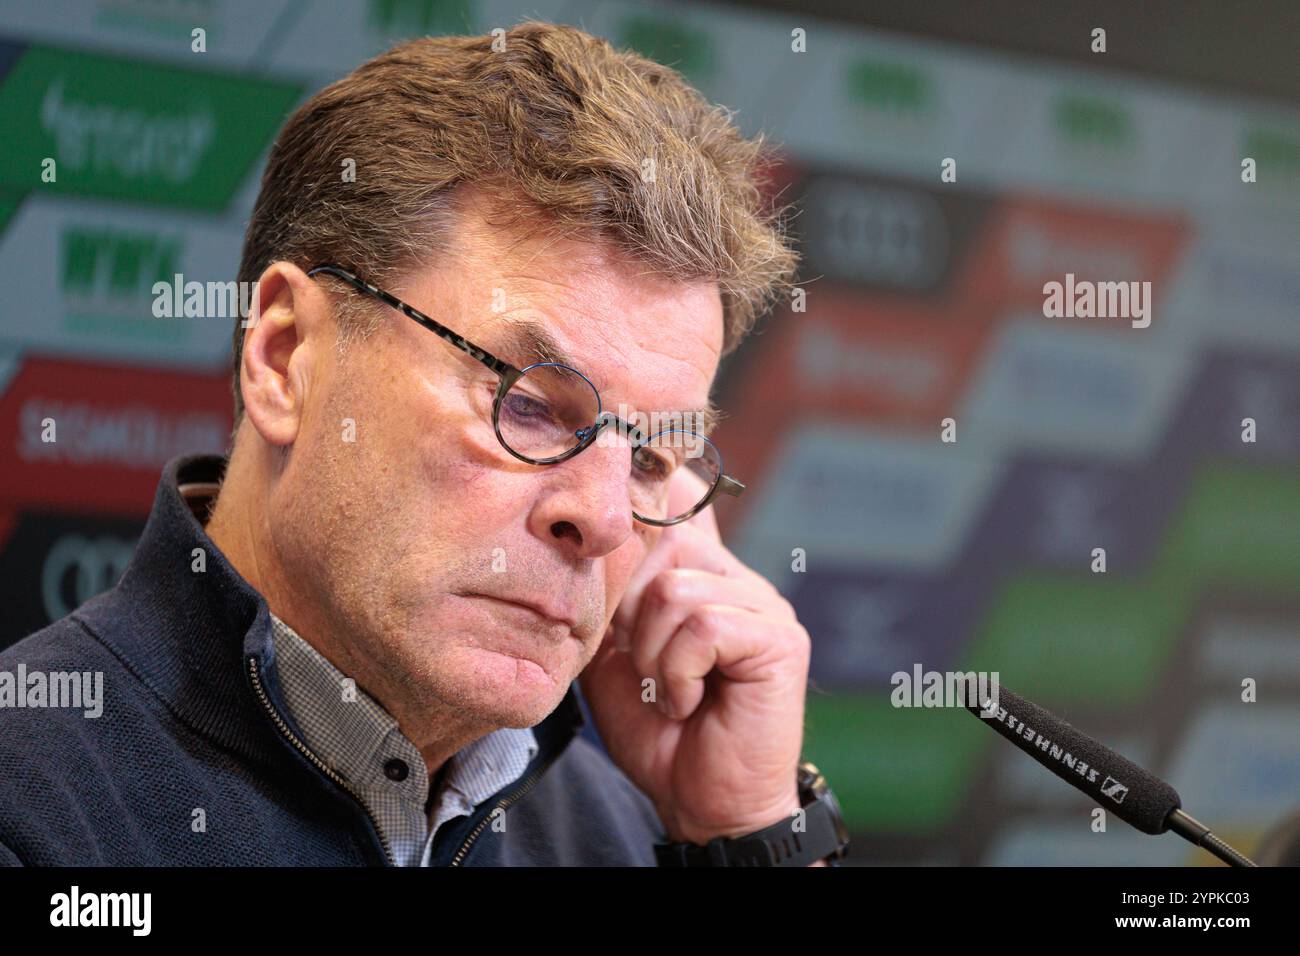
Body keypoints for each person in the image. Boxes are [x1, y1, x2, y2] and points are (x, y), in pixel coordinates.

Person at [0, 21, 845, 866]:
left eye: (653, 456)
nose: (604, 520)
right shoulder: (32, 810)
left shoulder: (615, 828)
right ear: (285, 356)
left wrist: (746, 833)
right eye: (532, 405)